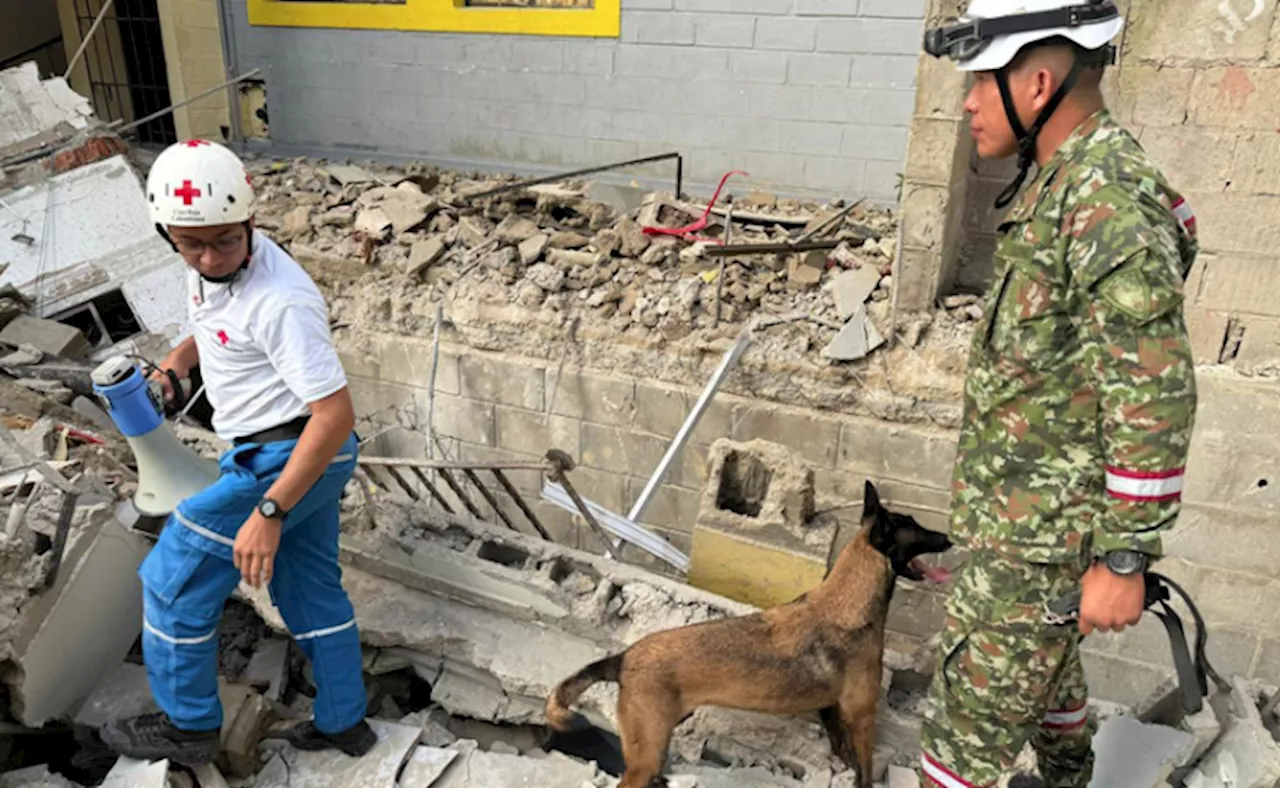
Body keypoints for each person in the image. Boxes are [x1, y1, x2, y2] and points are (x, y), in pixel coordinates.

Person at [916, 1, 1199, 786]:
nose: (968, 102)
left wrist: (1124, 554)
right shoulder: (1062, 181)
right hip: (1025, 532)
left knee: (958, 744)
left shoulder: (1103, 196)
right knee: (1052, 692)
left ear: (1038, 83)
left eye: (980, 80)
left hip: (1043, 549)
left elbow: (1155, 385)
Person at [100, 139, 376, 765]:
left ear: (251, 221)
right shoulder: (208, 264)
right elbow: (213, 323)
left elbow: (335, 417)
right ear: (169, 232)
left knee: (173, 583)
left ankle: (189, 726)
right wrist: (176, 364)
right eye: (190, 243)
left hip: (289, 455)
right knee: (310, 591)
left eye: (224, 241)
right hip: (305, 459)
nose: (208, 256)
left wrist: (268, 514)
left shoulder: (284, 302)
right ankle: (344, 723)